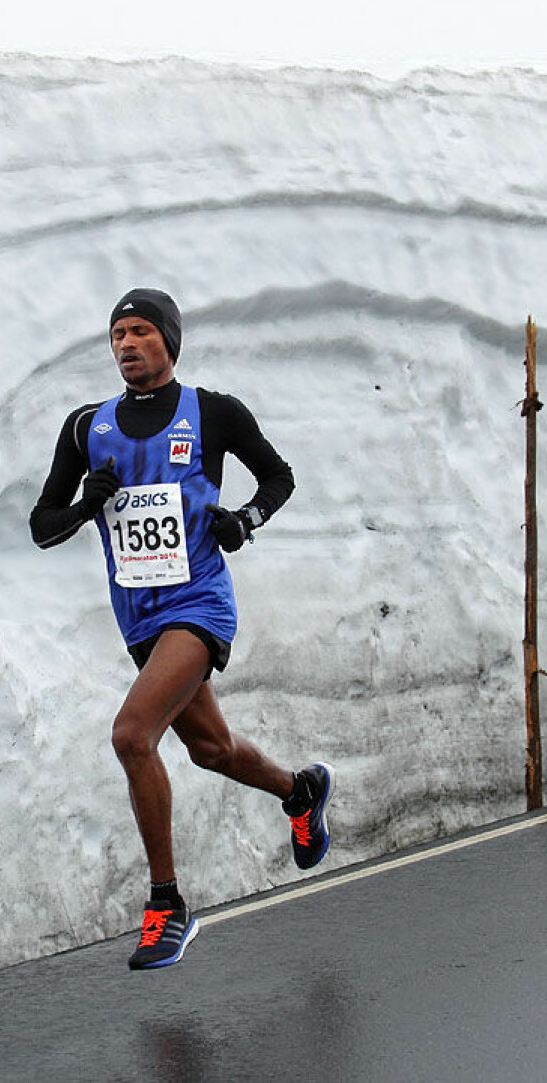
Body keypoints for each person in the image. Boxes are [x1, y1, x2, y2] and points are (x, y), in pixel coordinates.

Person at [29, 288, 334, 970]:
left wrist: (244, 521)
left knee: (132, 734)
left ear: (169, 341)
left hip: (198, 605)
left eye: (140, 331)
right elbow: (41, 525)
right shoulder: (88, 428)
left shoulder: (214, 413)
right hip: (139, 618)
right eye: (117, 335)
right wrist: (84, 507)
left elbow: (278, 478)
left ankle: (167, 905)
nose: (127, 344)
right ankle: (301, 791)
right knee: (213, 749)